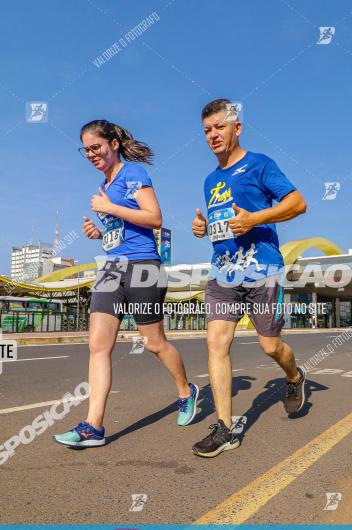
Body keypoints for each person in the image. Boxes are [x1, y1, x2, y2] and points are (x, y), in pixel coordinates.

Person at [54, 120, 199, 448]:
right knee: (97, 346)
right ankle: (93, 426)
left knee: (154, 343)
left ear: (114, 143)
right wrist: (101, 232)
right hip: (112, 269)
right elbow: (120, 232)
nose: (92, 154)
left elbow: (154, 218)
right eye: (86, 149)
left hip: (144, 267)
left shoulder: (132, 175)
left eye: (96, 146)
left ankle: (186, 391)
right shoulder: (104, 184)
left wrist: (108, 208)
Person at [190, 99, 308, 458]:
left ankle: (294, 377)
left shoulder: (260, 165)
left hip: (263, 268)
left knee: (270, 346)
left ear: (236, 128)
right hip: (223, 271)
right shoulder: (211, 180)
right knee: (216, 344)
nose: (213, 135)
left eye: (219, 127)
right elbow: (221, 222)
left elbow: (298, 203)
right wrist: (202, 227)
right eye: (207, 130)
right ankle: (225, 429)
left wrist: (255, 219)